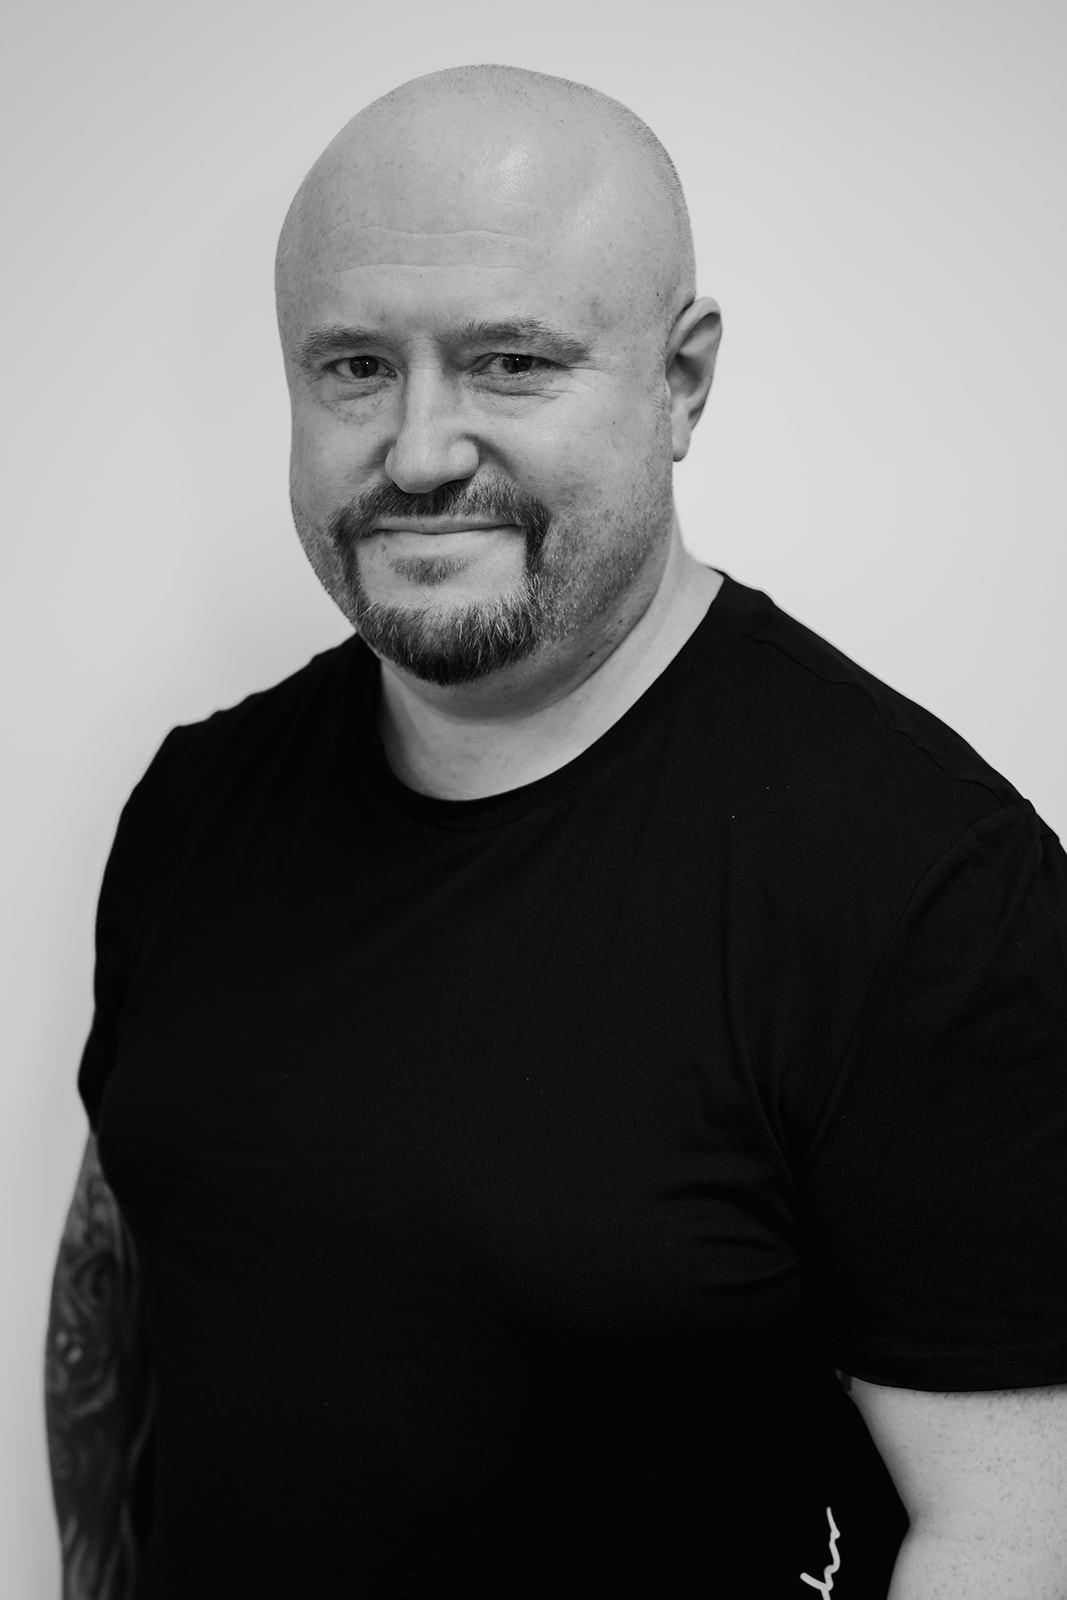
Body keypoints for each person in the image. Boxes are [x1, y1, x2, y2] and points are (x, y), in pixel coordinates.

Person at [44, 61, 1067, 1599]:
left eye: (510, 362)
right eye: (352, 368)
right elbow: (122, 1288)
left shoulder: (928, 891)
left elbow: (1010, 1532)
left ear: (683, 382)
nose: (420, 449)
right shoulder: (196, 803)